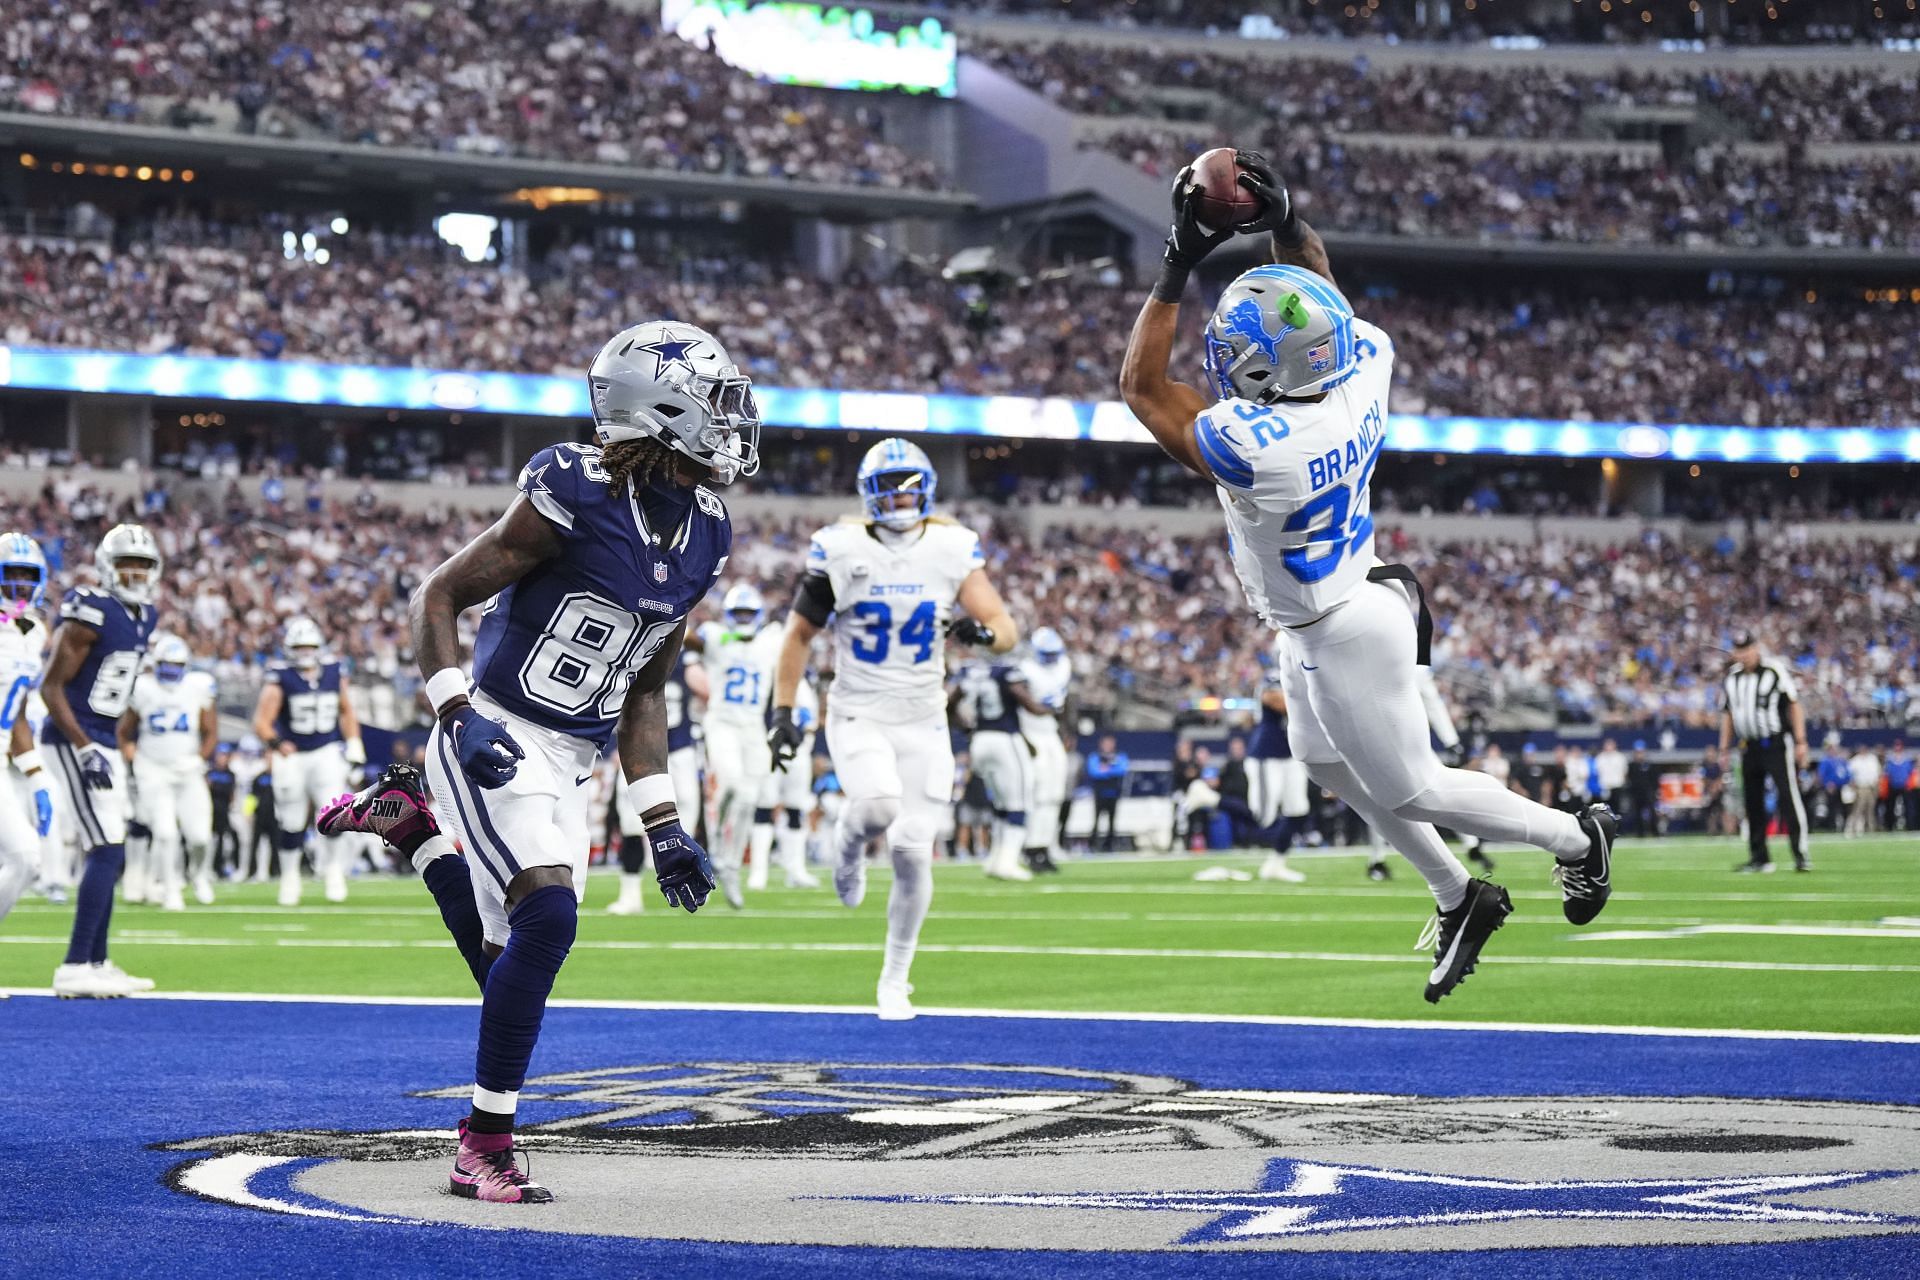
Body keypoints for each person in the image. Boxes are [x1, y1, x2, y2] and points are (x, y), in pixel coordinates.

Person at [1116, 150, 1615, 1003]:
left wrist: (1181, 257)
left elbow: (1141, 386)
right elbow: (1315, 288)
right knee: (1322, 761)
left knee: (1416, 787)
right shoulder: (1365, 365)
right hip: (1346, 596)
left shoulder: (1263, 449)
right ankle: (1460, 894)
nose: (1224, 358)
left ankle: (1576, 841)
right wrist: (1284, 221)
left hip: (1342, 623)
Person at [318, 319, 742, 1202]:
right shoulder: (571, 488)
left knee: (502, 962)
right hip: (497, 731)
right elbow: (436, 594)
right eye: (716, 401)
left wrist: (664, 827)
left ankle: (416, 834)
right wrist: (456, 714)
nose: (733, 419)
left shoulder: (706, 531)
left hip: (576, 755)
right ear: (659, 412)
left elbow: (648, 689)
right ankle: (483, 1145)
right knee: (549, 922)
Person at [767, 437, 1019, 1021]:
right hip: (860, 711)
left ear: (928, 489)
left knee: (911, 847)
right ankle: (847, 846)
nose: (902, 498)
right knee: (877, 807)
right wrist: (783, 711)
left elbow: (1004, 625)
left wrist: (983, 637)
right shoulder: (842, 547)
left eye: (911, 485)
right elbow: (799, 636)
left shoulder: (952, 547)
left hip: (924, 717)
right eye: (890, 485)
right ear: (868, 493)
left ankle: (895, 979)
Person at [42, 523, 162, 998]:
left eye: (144, 564)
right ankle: (75, 964)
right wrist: (86, 745)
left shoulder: (144, 615)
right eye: (126, 563)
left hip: (103, 738)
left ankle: (96, 959)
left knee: (112, 849)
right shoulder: (89, 609)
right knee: (107, 846)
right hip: (74, 738)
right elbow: (51, 687)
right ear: (108, 566)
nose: (135, 572)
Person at [251, 617, 366, 904]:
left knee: (334, 816)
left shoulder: (332, 671)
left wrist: (354, 742)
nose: (305, 653)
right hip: (293, 756)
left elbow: (346, 711)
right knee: (290, 820)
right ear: (290, 648)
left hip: (325, 751)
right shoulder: (280, 676)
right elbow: (262, 722)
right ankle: (290, 877)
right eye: (299, 647)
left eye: (309, 647)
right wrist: (277, 743)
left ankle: (334, 871)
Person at [690, 583, 783, 907]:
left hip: (754, 727)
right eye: (738, 613)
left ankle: (730, 864)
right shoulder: (715, 634)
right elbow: (690, 639)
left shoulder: (772, 639)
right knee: (730, 783)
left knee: (749, 796)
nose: (744, 619)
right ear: (728, 614)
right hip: (722, 722)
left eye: (749, 613)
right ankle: (714, 845)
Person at [118, 635, 218, 909]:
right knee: (164, 833)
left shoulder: (198, 687)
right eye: (166, 664)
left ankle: (198, 874)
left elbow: (211, 732)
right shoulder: (144, 688)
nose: (171, 671)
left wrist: (199, 759)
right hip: (153, 769)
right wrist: (134, 758)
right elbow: (124, 733)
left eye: (177, 665)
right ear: (156, 663)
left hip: (187, 769)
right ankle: (170, 888)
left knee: (200, 837)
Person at [607, 649, 709, 915]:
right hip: (638, 751)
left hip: (679, 748)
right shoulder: (634, 650)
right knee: (630, 821)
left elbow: (709, 692)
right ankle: (630, 893)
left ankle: (698, 881)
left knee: (687, 816)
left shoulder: (688, 661)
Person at [0, 532, 56, 929]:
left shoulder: (34, 632)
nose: (20, 584)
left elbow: (18, 712)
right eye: (11, 574)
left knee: (26, 858)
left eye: (28, 574)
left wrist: (37, 777)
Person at [1720, 631, 1810, 872]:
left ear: (1756, 648)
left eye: (1747, 648)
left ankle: (1800, 853)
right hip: (1748, 746)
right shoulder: (1732, 677)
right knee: (1753, 802)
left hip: (1776, 744)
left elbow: (1794, 704)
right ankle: (1760, 857)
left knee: (1787, 796)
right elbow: (1728, 714)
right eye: (1739, 650)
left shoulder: (1774, 670)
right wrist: (1723, 748)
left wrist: (1801, 741)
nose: (1744, 654)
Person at [955, 658, 1050, 883]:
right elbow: (1028, 703)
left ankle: (995, 859)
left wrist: (965, 728)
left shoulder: (971, 669)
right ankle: (1007, 861)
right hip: (1005, 739)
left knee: (1000, 804)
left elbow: (950, 700)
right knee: (1021, 802)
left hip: (979, 739)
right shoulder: (1007, 670)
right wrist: (1050, 708)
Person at [1247, 655, 1308, 882]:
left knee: (1298, 810)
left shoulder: (1306, 672)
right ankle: (1209, 798)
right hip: (1267, 755)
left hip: (1290, 755)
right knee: (1262, 817)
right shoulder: (1275, 675)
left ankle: (1276, 863)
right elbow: (1276, 701)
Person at [1018, 627, 1074, 874]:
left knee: (1055, 793)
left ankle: (1045, 845)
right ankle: (1029, 847)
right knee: (1037, 792)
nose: (1051, 659)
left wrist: (1066, 730)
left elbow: (1064, 703)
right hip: (1031, 731)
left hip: (1050, 731)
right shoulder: (1024, 670)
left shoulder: (1064, 665)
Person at [1085, 735, 1130, 852]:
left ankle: (1109, 845)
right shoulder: (1095, 756)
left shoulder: (1119, 756)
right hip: (1099, 793)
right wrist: (1109, 771)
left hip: (1113, 793)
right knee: (1096, 820)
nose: (1108, 746)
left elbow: (1122, 770)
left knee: (1112, 821)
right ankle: (1093, 844)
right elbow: (1094, 771)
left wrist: (1106, 770)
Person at [1847, 744, 1882, 836]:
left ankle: (1870, 828)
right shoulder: (1855, 760)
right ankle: (1853, 829)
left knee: (1870, 809)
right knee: (1858, 808)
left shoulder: (1872, 759)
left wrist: (1877, 784)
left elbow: (1878, 773)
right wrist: (1853, 785)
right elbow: (1850, 773)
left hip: (1871, 787)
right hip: (1861, 787)